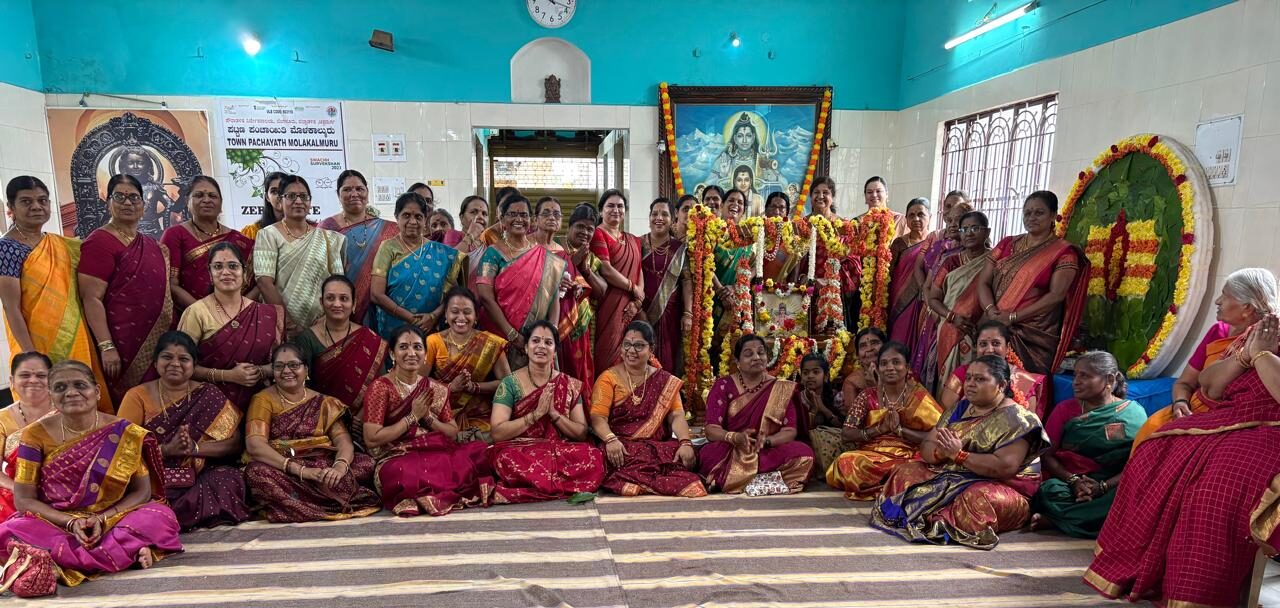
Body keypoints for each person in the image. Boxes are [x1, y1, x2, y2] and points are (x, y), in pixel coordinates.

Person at [1086, 314, 1280, 606]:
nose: (1219, 304)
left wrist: (1262, 355)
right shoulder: (1265, 329)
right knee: (1156, 447)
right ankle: (1156, 571)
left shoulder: (1264, 340)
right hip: (1232, 418)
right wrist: (1244, 356)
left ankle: (1198, 593)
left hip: (1272, 429)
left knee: (1219, 484)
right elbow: (1210, 386)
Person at [0, 360, 182, 584]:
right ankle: (127, 551)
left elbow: (142, 492)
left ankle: (62, 562)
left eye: (80, 385)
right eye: (60, 387)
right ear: (51, 395)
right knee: (10, 530)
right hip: (57, 521)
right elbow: (24, 500)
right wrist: (70, 522)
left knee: (160, 516)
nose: (71, 393)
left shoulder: (124, 431)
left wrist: (103, 519)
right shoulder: (34, 435)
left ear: (96, 392)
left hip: (112, 518)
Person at [871, 355, 1048, 549]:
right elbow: (928, 444)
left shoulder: (1018, 419)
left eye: (980, 379)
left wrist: (959, 456)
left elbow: (1004, 467)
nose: (970, 384)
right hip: (955, 473)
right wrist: (940, 453)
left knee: (976, 499)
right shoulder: (960, 408)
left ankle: (939, 518)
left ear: (1001, 384)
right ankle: (932, 513)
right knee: (905, 472)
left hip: (1005, 488)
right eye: (969, 378)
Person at [1131, 267, 1278, 450]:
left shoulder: (1270, 341)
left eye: (1225, 296)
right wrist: (1180, 403)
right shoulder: (1219, 332)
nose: (1218, 301)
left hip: (1234, 418)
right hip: (1193, 408)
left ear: (1246, 307)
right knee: (1152, 427)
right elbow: (1185, 382)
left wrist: (1259, 353)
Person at [116, 332, 249, 530]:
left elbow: (235, 444)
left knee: (228, 478)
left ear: (194, 366)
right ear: (155, 362)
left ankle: (168, 517)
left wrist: (194, 449)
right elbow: (122, 448)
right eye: (167, 357)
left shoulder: (209, 393)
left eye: (184, 359)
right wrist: (165, 450)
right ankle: (173, 516)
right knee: (137, 490)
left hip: (198, 474)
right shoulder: (137, 396)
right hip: (154, 475)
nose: (175, 364)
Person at [1, 176, 110, 411]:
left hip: (74, 335)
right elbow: (11, 306)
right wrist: (31, 355)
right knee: (45, 406)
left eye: (42, 200)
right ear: (11, 208)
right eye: (26, 201)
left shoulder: (62, 245)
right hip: (34, 341)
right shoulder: (7, 248)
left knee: (80, 398)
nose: (36, 206)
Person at [361, 326, 493, 516]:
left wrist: (428, 418)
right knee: (403, 472)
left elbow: (452, 432)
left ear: (425, 354)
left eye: (417, 347)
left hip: (430, 450)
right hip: (395, 455)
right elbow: (371, 438)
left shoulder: (434, 388)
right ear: (392, 353)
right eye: (403, 347)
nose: (411, 353)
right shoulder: (380, 388)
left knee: (478, 453)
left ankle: (430, 492)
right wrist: (412, 418)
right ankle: (431, 491)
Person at [243, 343, 381, 522]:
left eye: (293, 365)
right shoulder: (263, 400)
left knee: (367, 464)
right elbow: (255, 444)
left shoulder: (324, 402)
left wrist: (339, 467)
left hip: (323, 464)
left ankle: (300, 503)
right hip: (284, 467)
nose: (286, 371)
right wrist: (301, 471)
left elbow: (343, 441)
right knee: (256, 473)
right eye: (279, 366)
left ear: (306, 369)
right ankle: (328, 501)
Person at [78, 174, 175, 405]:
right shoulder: (99, 241)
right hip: (122, 342)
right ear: (108, 203)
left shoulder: (154, 246)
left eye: (134, 197)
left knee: (161, 401)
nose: (128, 202)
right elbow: (91, 298)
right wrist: (106, 346)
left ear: (143, 204)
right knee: (130, 402)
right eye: (120, 197)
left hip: (160, 338)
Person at [1031, 351, 1146, 538]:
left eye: (1085, 376)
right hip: (1071, 483)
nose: (1076, 382)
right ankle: (1094, 522)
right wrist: (1074, 481)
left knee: (1134, 494)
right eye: (1075, 375)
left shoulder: (1133, 413)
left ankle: (1058, 520)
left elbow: (1139, 462)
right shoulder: (1065, 410)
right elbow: (1047, 455)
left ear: (1109, 380)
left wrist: (1103, 486)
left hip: (1114, 483)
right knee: (1050, 490)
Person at [489, 321, 605, 503]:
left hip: (560, 450)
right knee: (505, 458)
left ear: (555, 351)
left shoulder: (569, 384)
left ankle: (538, 485)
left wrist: (554, 414)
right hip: (523, 451)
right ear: (526, 348)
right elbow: (497, 433)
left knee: (594, 456)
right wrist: (535, 415)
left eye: (548, 342)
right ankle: (557, 485)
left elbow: (581, 433)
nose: (541, 346)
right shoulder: (510, 383)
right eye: (535, 341)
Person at [590, 321, 705, 497]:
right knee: (608, 456)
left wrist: (685, 443)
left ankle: (635, 479)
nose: (631, 350)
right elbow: (598, 417)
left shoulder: (664, 379)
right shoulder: (608, 378)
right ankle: (644, 478)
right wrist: (610, 440)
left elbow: (676, 415)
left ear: (651, 349)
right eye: (627, 344)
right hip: (622, 444)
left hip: (656, 446)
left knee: (683, 453)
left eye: (638, 345)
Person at [978, 191, 1088, 375]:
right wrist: (991, 311)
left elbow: (1056, 296)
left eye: (1039, 213)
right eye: (1027, 213)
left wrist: (1012, 318)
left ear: (1053, 215)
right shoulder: (1007, 244)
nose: (1031, 217)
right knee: (986, 378)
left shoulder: (1064, 252)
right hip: (994, 323)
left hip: (1032, 335)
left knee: (1022, 385)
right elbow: (983, 281)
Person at [698, 334, 815, 494]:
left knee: (804, 454)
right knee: (709, 455)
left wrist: (766, 441)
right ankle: (769, 480)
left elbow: (789, 430)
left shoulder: (781, 388)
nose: (756, 357)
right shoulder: (723, 385)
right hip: (732, 448)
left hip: (767, 450)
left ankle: (732, 480)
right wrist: (735, 438)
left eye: (761, 352)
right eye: (748, 354)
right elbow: (711, 429)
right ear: (737, 362)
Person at [826, 342, 943, 499]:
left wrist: (900, 430)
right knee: (845, 462)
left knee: (916, 467)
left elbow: (937, 436)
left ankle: (893, 482)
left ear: (907, 367)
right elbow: (846, 434)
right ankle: (896, 484)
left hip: (907, 456)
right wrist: (878, 430)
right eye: (884, 363)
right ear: (878, 368)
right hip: (872, 456)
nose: (889, 367)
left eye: (896, 362)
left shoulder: (918, 396)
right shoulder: (866, 396)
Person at [178, 242, 283, 411]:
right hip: (210, 406)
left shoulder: (266, 313)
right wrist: (229, 376)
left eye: (233, 266)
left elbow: (283, 362)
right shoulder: (196, 312)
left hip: (261, 404)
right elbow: (181, 365)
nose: (226, 272)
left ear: (245, 272)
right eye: (218, 266)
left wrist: (259, 371)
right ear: (210, 274)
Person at [472, 194, 565, 370]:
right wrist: (512, 335)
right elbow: (486, 297)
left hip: (537, 339)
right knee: (507, 385)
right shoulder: (493, 253)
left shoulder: (544, 256)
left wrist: (550, 332)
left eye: (524, 215)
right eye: (512, 214)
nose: (519, 219)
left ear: (532, 220)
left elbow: (553, 297)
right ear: (502, 219)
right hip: (501, 337)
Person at [254, 175, 345, 334]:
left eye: (303, 196)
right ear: (280, 201)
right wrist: (289, 323)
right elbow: (264, 282)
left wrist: (327, 318)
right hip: (282, 327)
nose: (298, 201)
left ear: (310, 202)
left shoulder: (328, 238)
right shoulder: (268, 235)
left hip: (322, 325)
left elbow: (338, 282)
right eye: (291, 196)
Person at [370, 191, 463, 340]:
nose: (413, 221)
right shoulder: (388, 248)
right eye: (406, 215)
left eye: (418, 217)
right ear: (397, 217)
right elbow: (376, 294)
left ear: (425, 220)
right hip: (394, 328)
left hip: (431, 328)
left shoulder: (440, 252)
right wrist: (411, 319)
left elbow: (453, 292)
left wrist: (433, 316)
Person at [294, 275, 389, 420]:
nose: (337, 304)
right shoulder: (307, 338)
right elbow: (301, 386)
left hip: (364, 420)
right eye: (330, 298)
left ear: (354, 304)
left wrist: (360, 417)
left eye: (344, 299)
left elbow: (380, 386)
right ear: (321, 302)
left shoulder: (370, 339)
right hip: (320, 418)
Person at [423, 287, 511, 441]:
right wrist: (450, 388)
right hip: (442, 415)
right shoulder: (433, 341)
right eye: (454, 311)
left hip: (480, 414)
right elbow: (418, 383)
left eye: (467, 312)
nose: (461, 317)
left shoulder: (492, 343)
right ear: (446, 315)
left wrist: (474, 387)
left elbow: (508, 383)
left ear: (476, 316)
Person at [161, 176, 257, 312]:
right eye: (199, 195)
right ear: (187, 202)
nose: (206, 200)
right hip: (193, 315)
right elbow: (171, 284)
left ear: (221, 204)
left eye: (213, 196)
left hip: (238, 315)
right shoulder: (175, 235)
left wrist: (239, 310)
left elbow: (259, 283)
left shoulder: (241, 240)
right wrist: (206, 314)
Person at [318, 170, 399, 325]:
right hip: (339, 304)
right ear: (338, 195)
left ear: (367, 193)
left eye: (359, 189)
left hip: (380, 306)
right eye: (347, 189)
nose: (354, 194)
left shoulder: (388, 229)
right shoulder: (327, 228)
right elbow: (320, 271)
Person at [924, 210, 993, 391]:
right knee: (948, 383)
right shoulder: (950, 262)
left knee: (977, 381)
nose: (969, 233)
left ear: (987, 232)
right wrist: (952, 317)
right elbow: (933, 298)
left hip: (981, 331)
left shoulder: (996, 261)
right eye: (964, 229)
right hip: (950, 328)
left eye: (975, 228)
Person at [909, 199, 971, 383]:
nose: (952, 224)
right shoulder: (943, 252)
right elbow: (927, 286)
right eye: (949, 220)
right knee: (933, 365)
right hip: (937, 315)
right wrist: (937, 312)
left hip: (965, 320)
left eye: (958, 220)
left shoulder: (981, 257)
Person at [939, 320, 1049, 419]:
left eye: (996, 343)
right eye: (983, 344)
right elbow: (944, 416)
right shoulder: (963, 373)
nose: (989, 350)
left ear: (1007, 347)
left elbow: (1028, 426)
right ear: (976, 347)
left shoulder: (1026, 381)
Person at [592, 189, 644, 371]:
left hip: (632, 306)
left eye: (620, 206)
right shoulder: (598, 234)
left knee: (634, 352)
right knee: (608, 353)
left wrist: (637, 301)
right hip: (609, 304)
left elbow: (639, 270)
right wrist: (632, 288)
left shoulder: (633, 240)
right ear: (601, 211)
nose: (616, 210)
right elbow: (605, 269)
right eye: (610, 206)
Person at [556, 203, 605, 393]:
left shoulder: (591, 258)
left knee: (579, 372)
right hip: (556, 320)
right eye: (580, 226)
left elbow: (602, 291)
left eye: (590, 229)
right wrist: (572, 263)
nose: (585, 232)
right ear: (569, 226)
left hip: (581, 325)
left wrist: (585, 270)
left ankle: (579, 408)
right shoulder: (556, 247)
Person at [0, 353, 54, 519]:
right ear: (12, 381)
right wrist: (22, 492)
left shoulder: (69, 411)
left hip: (68, 490)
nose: (33, 380)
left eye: (41, 375)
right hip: (17, 494)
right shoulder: (2, 419)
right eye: (25, 375)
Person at [640, 197, 690, 372]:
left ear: (672, 218)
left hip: (671, 315)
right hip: (642, 312)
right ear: (649, 218)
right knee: (641, 358)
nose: (659, 218)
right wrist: (638, 309)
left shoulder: (680, 249)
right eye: (654, 214)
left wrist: (688, 313)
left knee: (669, 361)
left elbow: (686, 281)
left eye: (664, 214)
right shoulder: (638, 244)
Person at [709, 189, 753, 370]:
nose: (735, 204)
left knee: (729, 349)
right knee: (707, 348)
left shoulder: (748, 238)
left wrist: (735, 288)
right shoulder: (712, 232)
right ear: (722, 205)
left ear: (743, 210)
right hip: (710, 298)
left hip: (735, 301)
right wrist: (720, 289)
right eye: (731, 200)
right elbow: (704, 261)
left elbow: (752, 268)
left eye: (740, 202)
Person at [888, 198, 931, 346]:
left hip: (925, 299)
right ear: (906, 219)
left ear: (930, 217)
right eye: (911, 215)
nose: (916, 219)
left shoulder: (935, 243)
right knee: (898, 337)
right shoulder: (899, 243)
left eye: (921, 214)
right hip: (899, 299)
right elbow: (889, 272)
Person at [796, 353, 847, 476]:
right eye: (806, 373)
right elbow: (800, 431)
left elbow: (844, 428)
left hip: (832, 446)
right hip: (807, 444)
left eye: (816, 372)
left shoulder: (836, 396)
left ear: (826, 376)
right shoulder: (797, 398)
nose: (810, 376)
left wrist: (823, 409)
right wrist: (814, 410)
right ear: (801, 377)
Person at [840, 327, 886, 408]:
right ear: (857, 355)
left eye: (874, 343)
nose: (869, 349)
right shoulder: (852, 382)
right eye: (863, 346)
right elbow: (853, 415)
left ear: (885, 347)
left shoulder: (898, 373)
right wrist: (872, 389)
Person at [761, 191, 799, 284]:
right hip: (753, 287)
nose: (777, 212)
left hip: (780, 288)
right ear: (766, 210)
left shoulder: (792, 238)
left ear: (787, 212)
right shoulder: (757, 232)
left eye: (782, 208)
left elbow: (794, 271)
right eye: (773, 206)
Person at [239, 171, 287, 242]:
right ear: (267, 197)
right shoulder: (252, 233)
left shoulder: (303, 231)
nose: (279, 195)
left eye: (283, 190)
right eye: (274, 191)